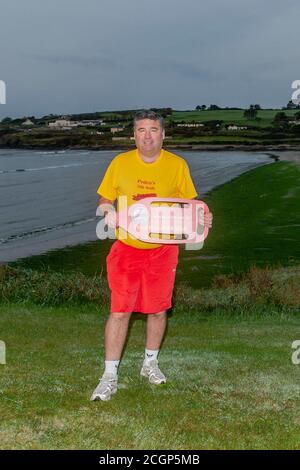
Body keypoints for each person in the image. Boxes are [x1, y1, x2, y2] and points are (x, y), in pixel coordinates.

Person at [91, 110, 213, 401]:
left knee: (158, 309)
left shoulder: (177, 165)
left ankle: (150, 364)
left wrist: (203, 221)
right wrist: (108, 213)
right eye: (141, 130)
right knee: (120, 311)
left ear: (163, 134)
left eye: (153, 129)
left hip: (163, 250)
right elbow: (104, 199)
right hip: (126, 250)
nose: (147, 136)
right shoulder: (119, 163)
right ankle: (109, 376)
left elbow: (191, 205)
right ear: (133, 135)